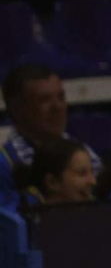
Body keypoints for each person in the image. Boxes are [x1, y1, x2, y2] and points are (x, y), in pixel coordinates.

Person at [0, 64, 102, 211]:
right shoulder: (4, 166)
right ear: (17, 109)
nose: (57, 107)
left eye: (61, 97)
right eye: (44, 100)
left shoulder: (81, 151)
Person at [23, 136, 95, 206]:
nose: (93, 182)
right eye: (82, 173)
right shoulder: (25, 217)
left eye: (91, 172)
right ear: (53, 182)